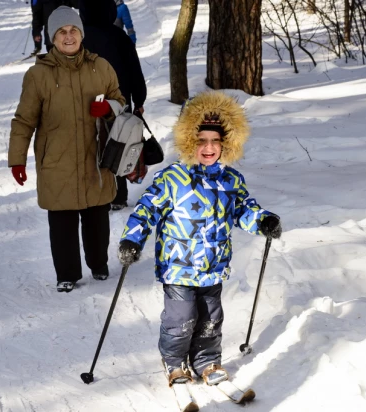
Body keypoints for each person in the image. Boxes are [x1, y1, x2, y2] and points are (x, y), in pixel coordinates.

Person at [117, 91, 282, 386]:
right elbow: (146, 211)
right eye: (202, 140)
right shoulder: (172, 178)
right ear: (189, 142)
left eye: (216, 141)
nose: (209, 147)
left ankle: (206, 361)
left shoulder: (231, 181)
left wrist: (263, 221)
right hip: (178, 266)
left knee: (209, 321)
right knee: (180, 320)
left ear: (226, 143)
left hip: (213, 267)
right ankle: (175, 361)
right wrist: (132, 240)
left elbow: (244, 209)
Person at [8, 6, 126, 293]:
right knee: (62, 219)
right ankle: (67, 274)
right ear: (53, 37)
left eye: (73, 30)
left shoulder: (101, 67)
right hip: (56, 159)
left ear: (81, 34)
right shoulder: (38, 75)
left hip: (95, 156)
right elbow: (24, 120)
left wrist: (108, 108)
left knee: (97, 215)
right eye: (62, 32)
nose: (69, 36)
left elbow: (121, 102)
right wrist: (17, 160)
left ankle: (98, 265)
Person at [78, 0, 147, 211]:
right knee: (118, 145)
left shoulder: (78, 39)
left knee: (89, 146)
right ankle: (118, 195)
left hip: (85, 103)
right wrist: (139, 101)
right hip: (119, 100)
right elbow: (134, 70)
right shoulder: (120, 37)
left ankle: (93, 193)